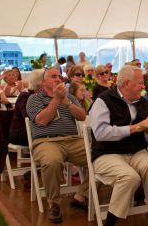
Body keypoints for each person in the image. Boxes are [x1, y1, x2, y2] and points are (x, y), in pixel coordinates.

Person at [89, 65, 148, 226]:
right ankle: (110, 223)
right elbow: (101, 133)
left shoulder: (143, 102)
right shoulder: (103, 100)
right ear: (126, 83)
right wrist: (136, 127)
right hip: (106, 153)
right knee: (129, 177)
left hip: (136, 151)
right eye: (139, 83)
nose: (143, 86)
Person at [26, 67, 89, 224]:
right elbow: (42, 120)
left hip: (73, 140)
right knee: (51, 161)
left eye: (60, 77)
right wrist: (55, 99)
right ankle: (53, 204)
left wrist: (66, 102)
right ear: (43, 81)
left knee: (103, 155)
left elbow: (82, 116)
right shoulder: (35, 99)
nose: (58, 79)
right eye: (53, 76)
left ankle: (81, 193)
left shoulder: (70, 98)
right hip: (46, 142)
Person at [9, 69, 44, 146]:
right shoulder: (25, 96)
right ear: (39, 82)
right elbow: (29, 118)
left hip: (33, 130)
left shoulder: (40, 95)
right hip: (21, 132)